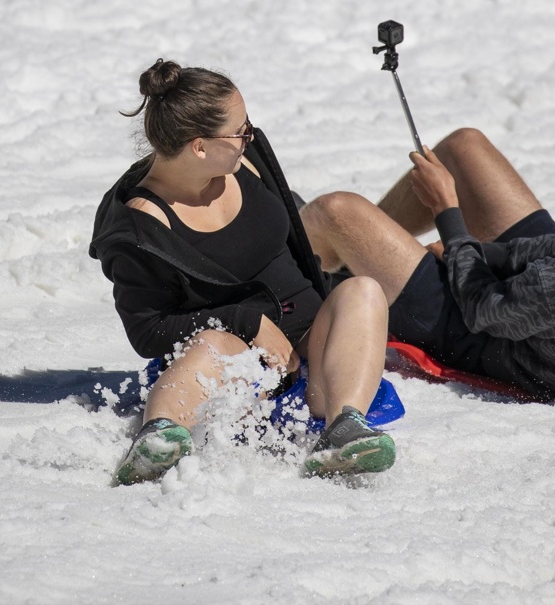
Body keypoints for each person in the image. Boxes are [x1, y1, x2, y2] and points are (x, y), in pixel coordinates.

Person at [89, 59, 397, 484]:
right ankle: (158, 437)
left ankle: (343, 431)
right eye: (239, 129)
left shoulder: (245, 158)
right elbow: (147, 332)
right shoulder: (140, 229)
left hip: (311, 342)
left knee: (363, 290)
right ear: (199, 146)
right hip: (233, 360)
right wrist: (246, 322)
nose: (248, 135)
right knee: (214, 344)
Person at [300, 94, 555, 405]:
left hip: (484, 335)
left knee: (334, 211)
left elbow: (480, 307)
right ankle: (356, 257)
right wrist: (483, 251)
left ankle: (287, 270)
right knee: (465, 145)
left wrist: (450, 217)